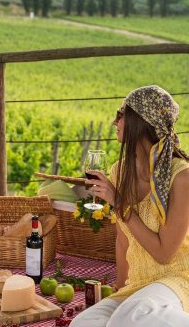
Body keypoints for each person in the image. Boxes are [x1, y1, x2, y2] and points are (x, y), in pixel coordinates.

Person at [71, 85, 189, 327]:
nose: (114, 122)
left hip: (176, 279)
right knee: (84, 323)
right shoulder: (120, 171)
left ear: (139, 121)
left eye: (120, 114)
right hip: (138, 286)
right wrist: (120, 285)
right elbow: (122, 238)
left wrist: (119, 203)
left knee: (129, 317)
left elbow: (164, 254)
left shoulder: (182, 177)